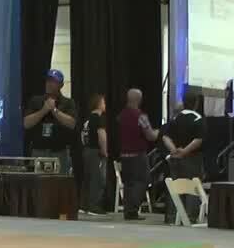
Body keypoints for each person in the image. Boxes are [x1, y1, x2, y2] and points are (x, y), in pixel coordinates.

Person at [23, 70, 77, 175]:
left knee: (59, 186)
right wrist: (43, 110)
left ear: (61, 85)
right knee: (37, 186)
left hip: (59, 152)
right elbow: (26, 123)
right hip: (38, 151)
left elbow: (72, 123)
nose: (49, 84)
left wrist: (54, 110)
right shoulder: (36, 100)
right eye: (48, 80)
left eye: (53, 81)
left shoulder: (68, 102)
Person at [162, 94, 206, 223]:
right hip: (192, 158)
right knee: (192, 187)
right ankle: (190, 217)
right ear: (197, 103)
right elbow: (198, 140)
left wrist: (173, 149)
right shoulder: (198, 119)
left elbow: (165, 137)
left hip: (175, 159)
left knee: (175, 187)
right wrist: (185, 151)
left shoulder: (176, 118)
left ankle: (171, 217)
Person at [117, 88, 159, 220]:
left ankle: (129, 212)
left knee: (129, 184)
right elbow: (150, 136)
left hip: (124, 155)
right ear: (139, 100)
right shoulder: (141, 116)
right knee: (143, 181)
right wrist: (158, 132)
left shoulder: (121, 115)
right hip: (138, 155)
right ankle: (133, 209)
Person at [80, 93, 109, 216]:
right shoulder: (98, 118)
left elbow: (82, 136)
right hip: (95, 152)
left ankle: (83, 205)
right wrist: (104, 150)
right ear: (98, 104)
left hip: (86, 150)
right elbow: (102, 135)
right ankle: (94, 206)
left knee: (87, 178)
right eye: (103, 102)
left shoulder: (87, 120)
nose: (105, 105)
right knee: (97, 179)